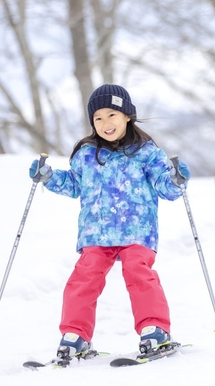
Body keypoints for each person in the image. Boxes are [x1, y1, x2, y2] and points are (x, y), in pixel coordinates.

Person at [28, 84, 191, 364]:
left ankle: (155, 330)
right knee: (83, 278)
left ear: (127, 115)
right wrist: (48, 177)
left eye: (112, 115)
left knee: (138, 272)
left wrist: (176, 180)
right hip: (96, 231)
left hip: (137, 229)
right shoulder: (86, 154)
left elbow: (165, 187)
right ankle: (75, 335)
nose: (106, 123)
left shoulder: (146, 152)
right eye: (98, 118)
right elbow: (74, 184)